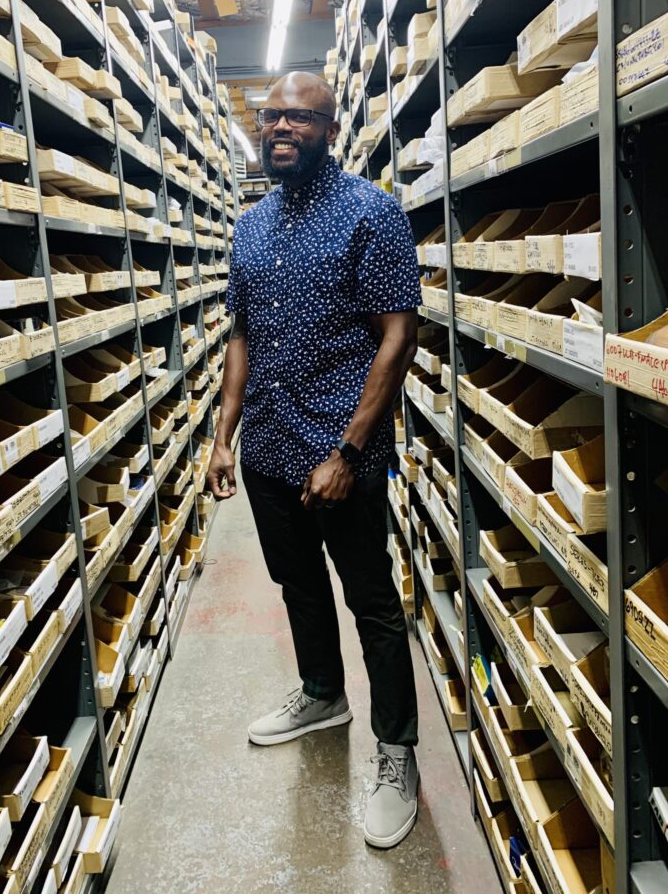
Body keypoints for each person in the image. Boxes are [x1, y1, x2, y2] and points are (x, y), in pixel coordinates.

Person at [206, 71, 421, 849]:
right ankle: (322, 694)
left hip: (339, 451)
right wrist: (222, 434)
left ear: (330, 129)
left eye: (301, 116)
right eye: (272, 116)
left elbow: (397, 337)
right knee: (297, 584)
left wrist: (349, 450)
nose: (282, 128)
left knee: (372, 602)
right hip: (264, 443)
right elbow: (241, 334)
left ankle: (397, 753)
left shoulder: (373, 214)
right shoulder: (249, 225)